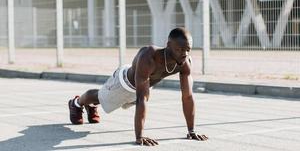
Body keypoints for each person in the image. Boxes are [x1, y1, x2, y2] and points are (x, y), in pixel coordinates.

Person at [68, 27, 208, 146]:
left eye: (188, 49)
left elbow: (188, 97)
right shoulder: (149, 56)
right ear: (168, 45)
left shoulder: (185, 62)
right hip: (124, 83)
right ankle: (76, 103)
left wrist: (192, 131)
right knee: (100, 97)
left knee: (109, 99)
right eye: (180, 49)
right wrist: (139, 136)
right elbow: (142, 98)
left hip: (144, 85)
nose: (185, 53)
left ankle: (91, 106)